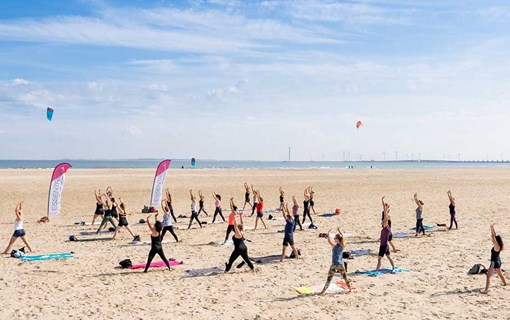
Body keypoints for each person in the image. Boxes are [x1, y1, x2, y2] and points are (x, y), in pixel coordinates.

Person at [319, 227, 351, 294]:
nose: (334, 239)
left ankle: (323, 291)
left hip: (334, 264)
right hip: (341, 264)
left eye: (335, 238)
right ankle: (350, 288)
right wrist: (339, 230)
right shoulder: (342, 245)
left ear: (337, 239)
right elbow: (343, 237)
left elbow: (329, 241)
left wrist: (328, 234)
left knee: (329, 278)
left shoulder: (336, 246)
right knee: (344, 277)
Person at [481, 224, 507, 293]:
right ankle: (505, 283)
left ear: (496, 241)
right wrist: (492, 228)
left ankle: (486, 289)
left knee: (488, 276)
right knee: (500, 274)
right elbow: (494, 235)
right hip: (498, 261)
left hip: (494, 262)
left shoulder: (496, 246)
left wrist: (491, 229)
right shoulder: (499, 246)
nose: (493, 240)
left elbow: (493, 236)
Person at [376, 196, 395, 271]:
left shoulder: (387, 228)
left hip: (383, 246)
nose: (382, 223)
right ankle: (393, 267)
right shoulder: (383, 229)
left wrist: (383, 203)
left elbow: (385, 213)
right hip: (385, 245)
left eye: (383, 222)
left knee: (379, 259)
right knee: (389, 257)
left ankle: (376, 270)